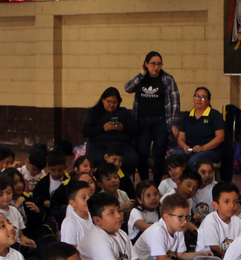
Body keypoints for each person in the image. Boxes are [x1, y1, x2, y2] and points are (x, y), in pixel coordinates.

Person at [124, 52, 181, 181]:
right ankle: (144, 181)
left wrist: (174, 124)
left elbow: (175, 101)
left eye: (159, 64)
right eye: (153, 64)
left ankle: (156, 182)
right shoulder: (141, 78)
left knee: (159, 153)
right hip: (142, 121)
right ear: (146, 64)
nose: (156, 67)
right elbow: (127, 88)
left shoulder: (167, 79)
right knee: (142, 153)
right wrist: (141, 75)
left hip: (161, 121)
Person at [82, 87, 139, 173]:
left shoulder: (124, 112)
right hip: (99, 145)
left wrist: (123, 128)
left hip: (121, 145)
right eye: (109, 101)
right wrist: (103, 128)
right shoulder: (94, 112)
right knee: (99, 159)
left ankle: (125, 181)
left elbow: (136, 130)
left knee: (131, 159)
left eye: (115, 102)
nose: (112, 105)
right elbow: (85, 131)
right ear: (103, 100)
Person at [176, 88, 225, 171]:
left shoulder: (214, 115)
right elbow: (180, 138)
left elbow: (220, 138)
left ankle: (195, 183)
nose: (199, 99)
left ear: (208, 101)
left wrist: (203, 147)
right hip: (190, 150)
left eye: (203, 97)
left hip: (209, 150)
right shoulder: (187, 116)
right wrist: (184, 146)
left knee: (193, 161)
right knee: (175, 159)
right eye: (197, 96)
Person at [197, 182, 241, 257]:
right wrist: (230, 259)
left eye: (235, 202)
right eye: (226, 202)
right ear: (215, 205)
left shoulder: (237, 221)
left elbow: (238, 245)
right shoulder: (210, 220)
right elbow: (214, 248)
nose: (232, 205)